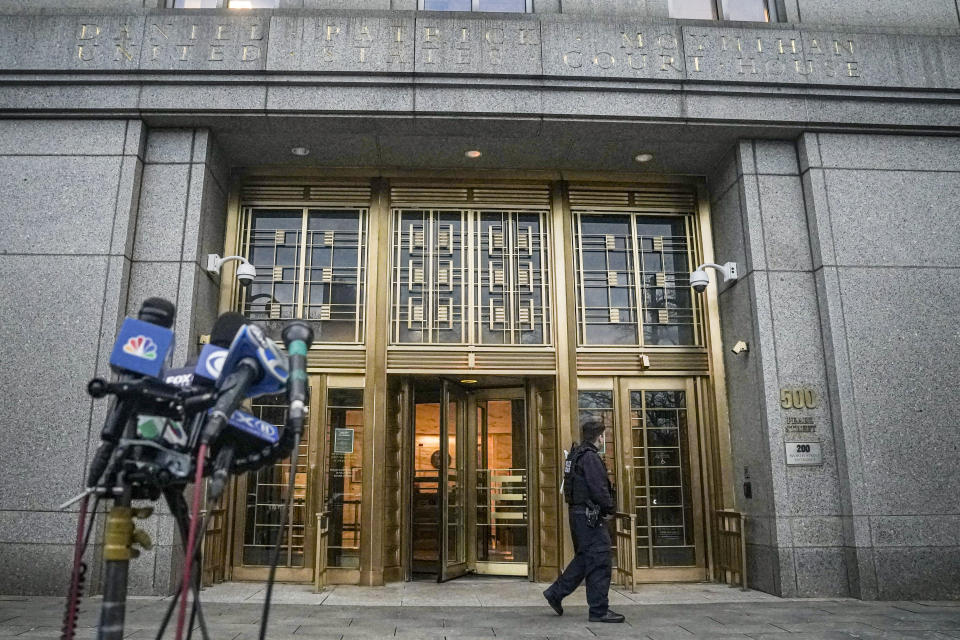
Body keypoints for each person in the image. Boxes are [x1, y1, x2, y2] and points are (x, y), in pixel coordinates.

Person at [543, 420, 625, 623]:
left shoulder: (576, 455)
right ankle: (598, 610)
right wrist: (610, 509)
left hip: (579, 516)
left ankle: (556, 593)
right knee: (600, 559)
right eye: (604, 436)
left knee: (586, 557)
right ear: (600, 437)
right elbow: (599, 489)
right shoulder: (590, 458)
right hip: (590, 517)